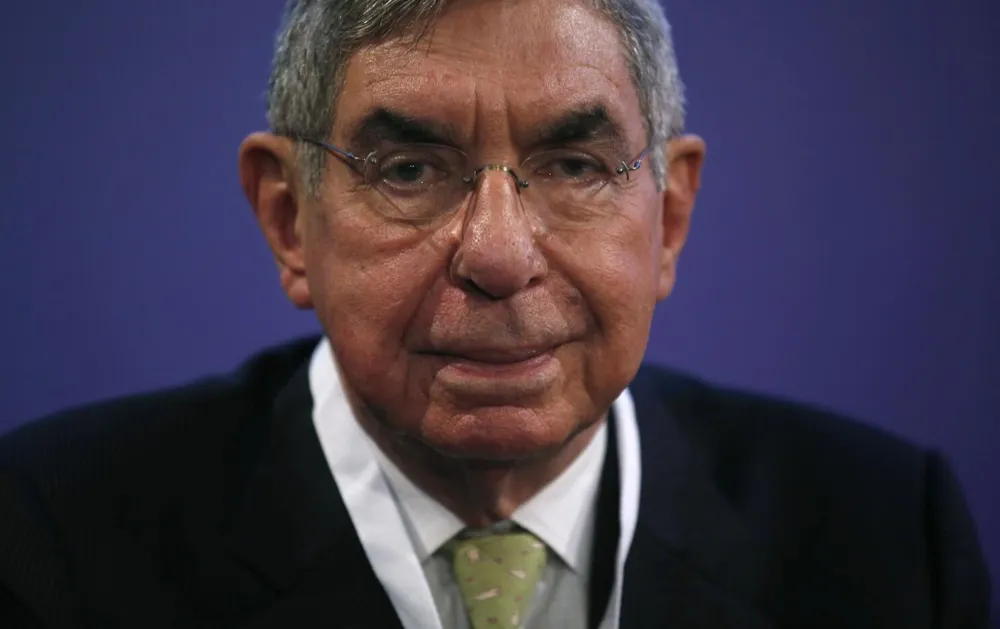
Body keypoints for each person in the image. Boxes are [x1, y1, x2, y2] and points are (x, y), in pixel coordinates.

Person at [0, 0, 991, 627]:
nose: (499, 255)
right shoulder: (51, 541)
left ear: (670, 217)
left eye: (575, 165)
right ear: (290, 218)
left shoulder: (885, 543)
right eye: (408, 169)